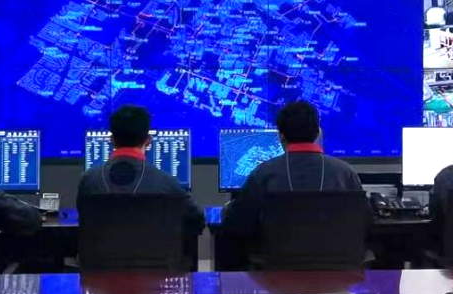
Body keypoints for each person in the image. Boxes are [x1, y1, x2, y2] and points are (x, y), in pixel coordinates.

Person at [221, 100, 364, 243]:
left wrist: (227, 210)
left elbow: (239, 222)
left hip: (277, 256)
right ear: (317, 133)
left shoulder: (263, 174)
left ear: (281, 136)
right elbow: (364, 221)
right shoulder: (345, 173)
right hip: (336, 255)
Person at [77, 105, 205, 264]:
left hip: (100, 273)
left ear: (111, 140)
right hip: (154, 273)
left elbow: (84, 222)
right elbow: (197, 220)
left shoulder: (88, 180)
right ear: (148, 140)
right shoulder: (167, 184)